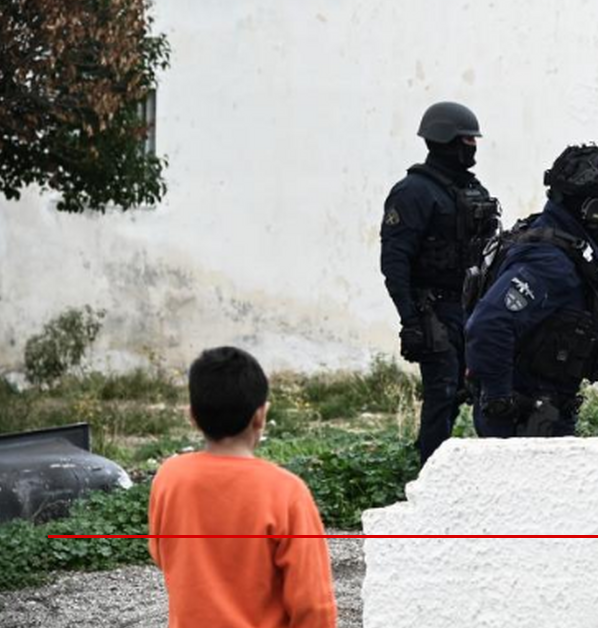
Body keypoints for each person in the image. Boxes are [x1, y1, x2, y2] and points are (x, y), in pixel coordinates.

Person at [148, 346, 336, 628]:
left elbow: (162, 554)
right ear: (260, 416)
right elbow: (312, 604)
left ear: (192, 416)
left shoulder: (169, 477)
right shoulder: (286, 492)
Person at [465, 144, 598, 437]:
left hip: (541, 414)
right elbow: (488, 324)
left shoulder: (558, 246)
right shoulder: (549, 261)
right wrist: (499, 402)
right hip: (525, 420)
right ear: (593, 211)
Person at [380, 101, 500, 463]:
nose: (473, 146)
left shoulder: (471, 189)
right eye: (467, 139)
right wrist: (410, 321)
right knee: (442, 391)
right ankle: (428, 473)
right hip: (432, 309)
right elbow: (395, 263)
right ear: (446, 139)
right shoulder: (413, 192)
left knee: (471, 388)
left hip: (469, 307)